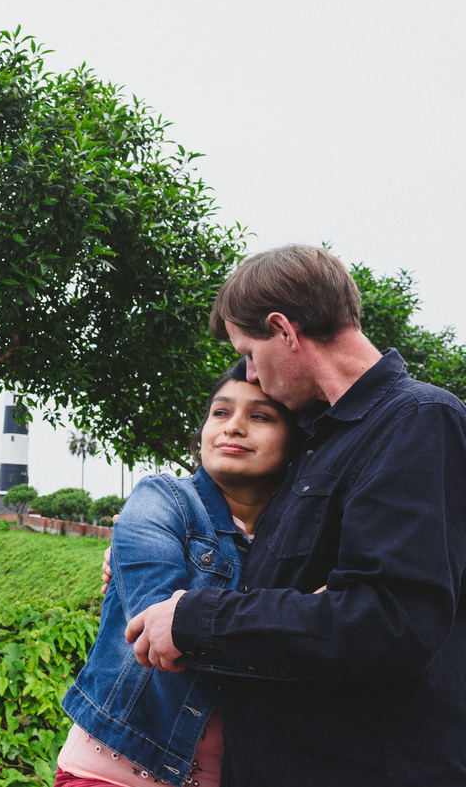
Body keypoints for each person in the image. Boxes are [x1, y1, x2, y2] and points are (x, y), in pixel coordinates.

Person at [125, 244, 466, 786]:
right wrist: (152, 550)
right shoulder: (313, 444)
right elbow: (287, 589)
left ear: (284, 329)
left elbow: (388, 622)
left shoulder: (418, 420)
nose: (252, 375)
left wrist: (193, 619)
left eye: (250, 353)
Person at [56, 363, 295, 786]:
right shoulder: (162, 499)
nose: (233, 427)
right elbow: (163, 634)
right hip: (117, 769)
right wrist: (298, 618)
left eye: (260, 416)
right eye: (220, 413)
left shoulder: (303, 533)